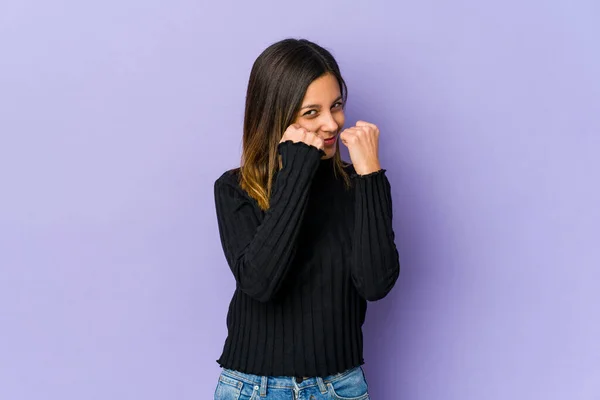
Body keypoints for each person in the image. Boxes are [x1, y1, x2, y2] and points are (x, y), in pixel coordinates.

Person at [213, 38, 400, 400]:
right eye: (311, 112)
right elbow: (260, 282)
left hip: (339, 387)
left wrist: (371, 176)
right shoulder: (236, 189)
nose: (331, 124)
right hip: (253, 388)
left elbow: (375, 284)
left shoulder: (359, 185)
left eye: (337, 106)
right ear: (277, 117)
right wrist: (297, 171)